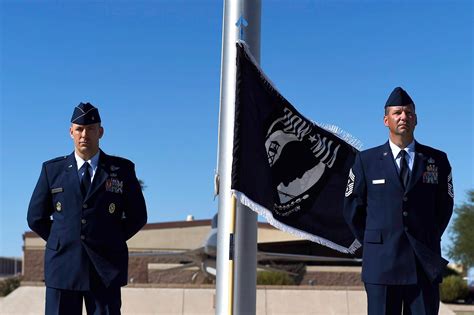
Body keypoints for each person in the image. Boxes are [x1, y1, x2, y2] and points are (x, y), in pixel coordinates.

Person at [27, 102, 147, 315]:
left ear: (100, 132)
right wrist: (62, 239)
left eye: (91, 129)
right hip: (63, 267)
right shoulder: (52, 171)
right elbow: (36, 217)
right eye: (79, 129)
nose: (85, 134)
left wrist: (111, 238)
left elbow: (138, 216)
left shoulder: (122, 170)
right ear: (71, 132)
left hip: (105, 268)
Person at [343, 87, 453, 314]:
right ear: (386, 120)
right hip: (381, 264)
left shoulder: (437, 160)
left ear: (416, 119)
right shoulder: (366, 161)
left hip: (423, 263)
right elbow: (353, 208)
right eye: (397, 113)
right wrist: (375, 240)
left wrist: (427, 235)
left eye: (409, 113)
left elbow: (445, 207)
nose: (403, 117)